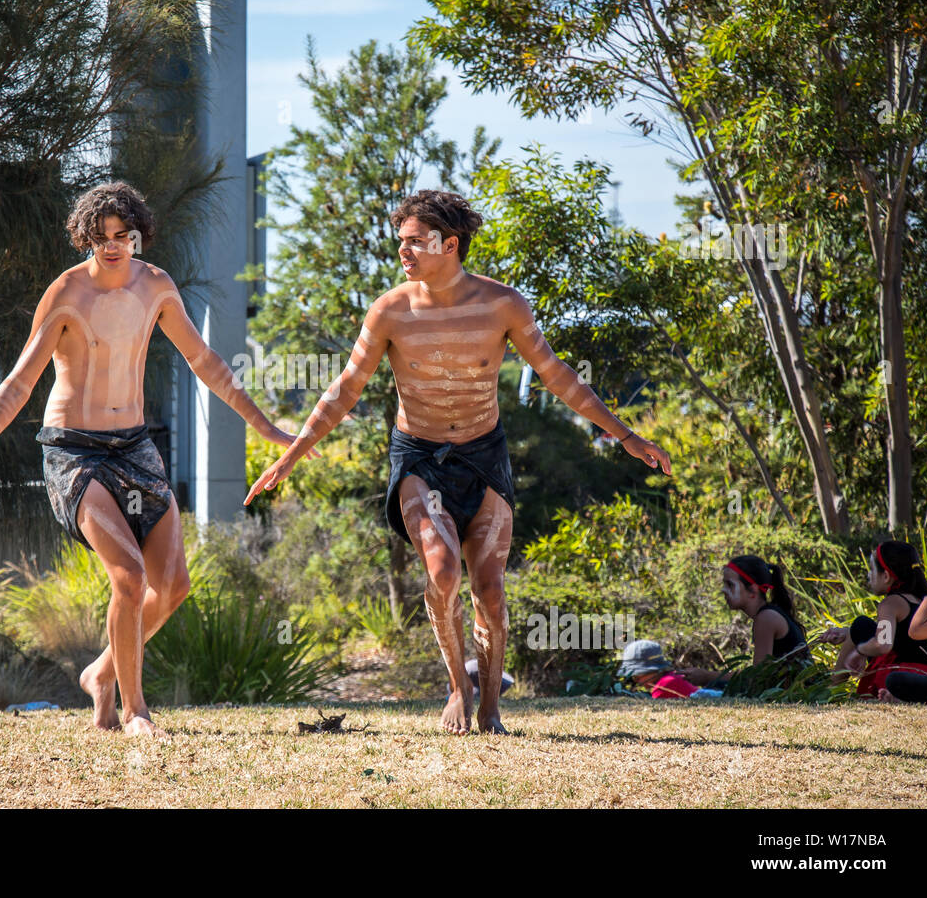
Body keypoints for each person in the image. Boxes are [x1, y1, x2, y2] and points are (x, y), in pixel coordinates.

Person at [244, 189, 671, 735]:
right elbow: (346, 387)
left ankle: (491, 705)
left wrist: (625, 435)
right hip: (419, 457)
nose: (404, 251)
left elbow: (558, 374)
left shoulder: (503, 304)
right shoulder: (391, 310)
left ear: (450, 244)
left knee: (489, 590)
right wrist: (291, 456)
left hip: (484, 454)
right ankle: (457, 687)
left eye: (415, 241)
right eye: (400, 241)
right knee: (443, 570)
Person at [0, 181, 304, 738]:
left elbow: (207, 362)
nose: (114, 246)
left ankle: (100, 672)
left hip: (134, 445)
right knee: (129, 576)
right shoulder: (67, 293)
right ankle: (134, 710)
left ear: (139, 235)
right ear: (85, 240)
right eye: (101, 238)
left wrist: (265, 426)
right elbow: (19, 382)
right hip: (73, 451)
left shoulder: (158, 287)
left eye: (123, 235)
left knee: (172, 586)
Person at [818, 540, 927, 699]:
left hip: (906, 674)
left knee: (860, 624)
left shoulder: (891, 603)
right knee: (860, 627)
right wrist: (847, 633)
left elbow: (883, 643)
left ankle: (830, 692)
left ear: (886, 576)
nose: (868, 575)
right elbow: (898, 637)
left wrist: (859, 651)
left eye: (872, 569)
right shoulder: (924, 600)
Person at [677, 556, 810, 690]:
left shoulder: (766, 618)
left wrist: (707, 676)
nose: (723, 590)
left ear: (753, 590)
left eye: (730, 584)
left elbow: (758, 677)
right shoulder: (766, 615)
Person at [617, 640, 716, 698]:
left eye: (637, 677)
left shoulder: (664, 685)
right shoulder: (672, 677)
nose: (637, 681)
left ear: (652, 670)